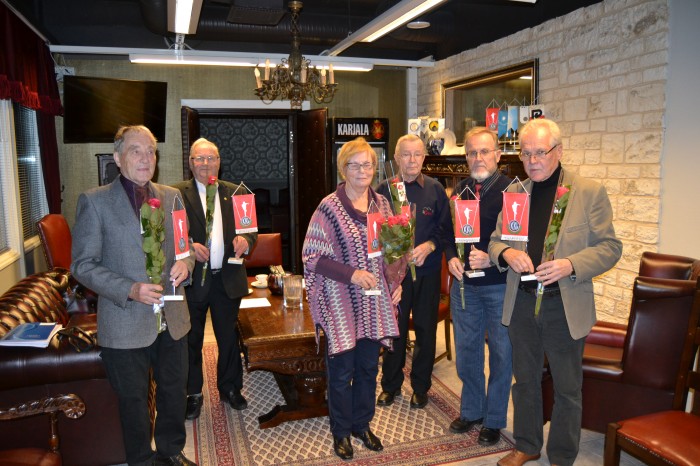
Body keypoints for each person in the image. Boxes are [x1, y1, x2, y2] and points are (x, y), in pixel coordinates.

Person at [488, 119, 622, 466]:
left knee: (567, 387)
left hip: (563, 304)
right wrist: (507, 253)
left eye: (540, 153)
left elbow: (610, 247)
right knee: (525, 380)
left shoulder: (588, 191)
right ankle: (528, 444)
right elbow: (495, 241)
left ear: (558, 151)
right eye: (525, 153)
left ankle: (562, 456)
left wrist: (571, 264)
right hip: (522, 303)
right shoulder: (516, 194)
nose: (532, 161)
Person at [71, 125, 196, 466]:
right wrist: (131, 289)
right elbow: (82, 265)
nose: (145, 158)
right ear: (117, 157)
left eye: (151, 151)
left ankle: (171, 451)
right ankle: (141, 460)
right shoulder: (95, 201)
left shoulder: (172, 196)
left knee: (174, 391)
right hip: (124, 321)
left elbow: (184, 247)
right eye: (135, 151)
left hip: (172, 316)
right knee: (134, 401)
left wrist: (185, 264)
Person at [302, 137, 402, 461]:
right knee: (342, 371)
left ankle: (362, 424)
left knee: (369, 368)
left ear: (375, 167)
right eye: (354, 165)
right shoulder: (328, 207)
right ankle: (341, 431)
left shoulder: (382, 205)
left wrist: (396, 281)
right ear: (343, 169)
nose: (362, 170)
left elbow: (392, 251)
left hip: (374, 302)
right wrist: (352, 274)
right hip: (340, 303)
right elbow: (311, 257)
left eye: (367, 164)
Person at [173, 138, 258, 420]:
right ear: (190, 162)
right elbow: (170, 233)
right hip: (193, 279)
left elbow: (251, 231)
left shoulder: (237, 193)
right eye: (199, 158)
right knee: (191, 339)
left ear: (219, 162)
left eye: (211, 158)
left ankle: (230, 388)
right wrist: (189, 246)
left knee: (229, 338)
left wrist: (246, 241)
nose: (206, 163)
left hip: (227, 278)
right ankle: (193, 394)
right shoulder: (176, 194)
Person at [444, 127, 512, 446]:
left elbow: (521, 242)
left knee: (501, 353)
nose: (478, 158)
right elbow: (448, 233)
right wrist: (450, 258)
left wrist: (493, 259)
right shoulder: (461, 191)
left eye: (484, 151)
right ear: (466, 157)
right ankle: (472, 410)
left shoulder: (512, 191)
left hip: (499, 285)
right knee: (467, 351)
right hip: (465, 286)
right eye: (472, 152)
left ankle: (494, 419)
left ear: (497, 155)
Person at [375, 133, 451, 409]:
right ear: (396, 158)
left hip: (427, 272)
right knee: (394, 330)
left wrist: (429, 246)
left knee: (425, 330)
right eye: (406, 154)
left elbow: (446, 230)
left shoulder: (435, 189)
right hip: (395, 277)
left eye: (417, 154)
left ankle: (420, 387)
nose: (412, 160)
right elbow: (374, 231)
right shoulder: (383, 190)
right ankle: (390, 385)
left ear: (424, 157)